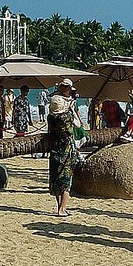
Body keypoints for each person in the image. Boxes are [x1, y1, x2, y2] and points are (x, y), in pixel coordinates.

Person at [46, 78, 83, 217]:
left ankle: (59, 207)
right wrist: (72, 110)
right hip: (67, 149)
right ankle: (62, 209)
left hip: (54, 147)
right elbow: (78, 125)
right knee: (66, 179)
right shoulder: (67, 116)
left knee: (56, 178)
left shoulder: (51, 117)